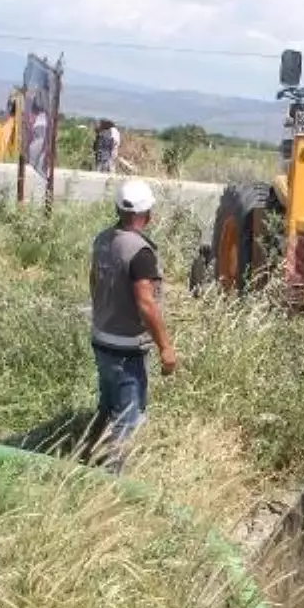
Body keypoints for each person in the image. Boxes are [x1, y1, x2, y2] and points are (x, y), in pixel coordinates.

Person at [89, 180, 177, 471]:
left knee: (107, 404)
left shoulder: (102, 239)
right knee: (128, 418)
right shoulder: (140, 252)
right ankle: (111, 484)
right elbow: (146, 303)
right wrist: (165, 347)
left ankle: (90, 454)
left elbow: (94, 282)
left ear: (117, 208)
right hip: (126, 348)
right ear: (147, 214)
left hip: (101, 338)